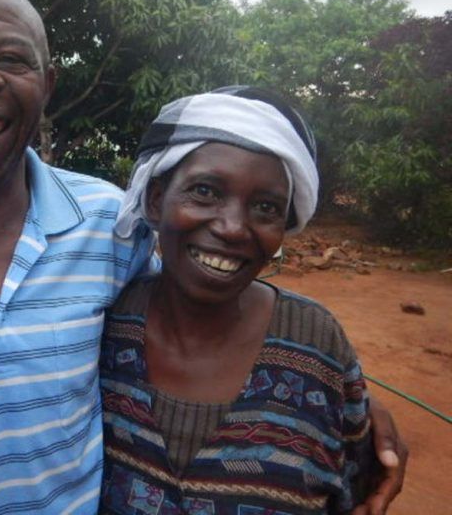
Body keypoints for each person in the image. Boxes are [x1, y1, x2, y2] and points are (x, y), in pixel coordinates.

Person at [0, 0, 405, 515]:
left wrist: (339, 402)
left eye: (10, 57)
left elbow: (199, 298)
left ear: (48, 82)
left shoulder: (107, 222)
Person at [100, 87, 404, 515]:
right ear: (155, 199)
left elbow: (356, 480)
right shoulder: (104, 326)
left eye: (265, 207)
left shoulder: (318, 345)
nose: (233, 228)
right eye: (204, 191)